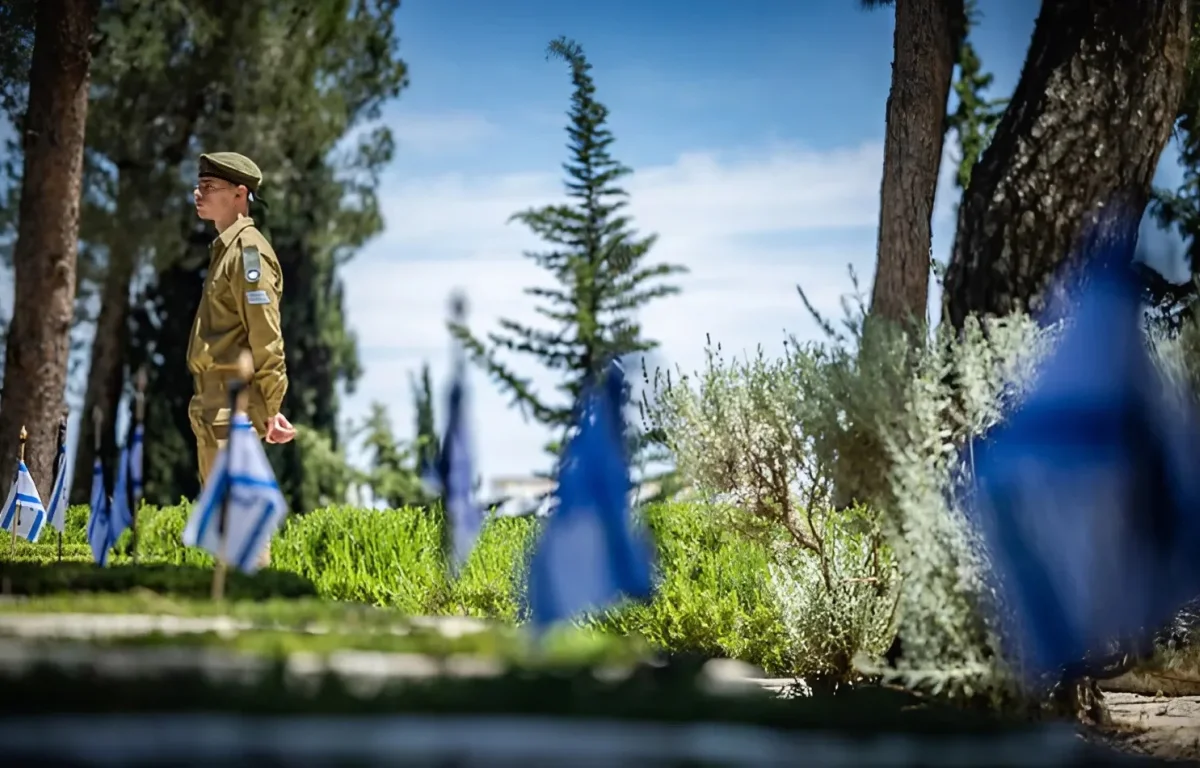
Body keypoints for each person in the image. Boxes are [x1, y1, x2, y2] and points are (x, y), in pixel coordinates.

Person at [187, 151, 296, 501]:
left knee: (231, 522)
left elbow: (266, 336)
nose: (198, 193)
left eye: (209, 186)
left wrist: (270, 408)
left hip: (231, 411)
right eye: (198, 185)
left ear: (239, 193)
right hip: (213, 406)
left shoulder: (249, 253)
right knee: (220, 522)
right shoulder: (227, 251)